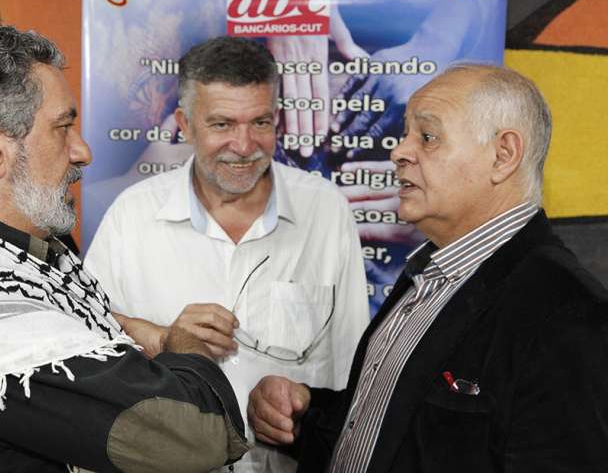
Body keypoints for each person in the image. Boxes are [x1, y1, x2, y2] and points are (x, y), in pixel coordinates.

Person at [0, 22, 247, 473]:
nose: (83, 152)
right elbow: (192, 436)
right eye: (63, 127)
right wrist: (183, 348)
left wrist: (138, 331)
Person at [247, 63, 608, 473]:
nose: (399, 151)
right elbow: (395, 434)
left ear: (503, 155)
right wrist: (303, 414)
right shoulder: (428, 277)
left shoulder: (567, 313)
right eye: (405, 134)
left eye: (428, 137)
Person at [85, 36, 370, 472]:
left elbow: (352, 369)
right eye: (222, 124)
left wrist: (302, 407)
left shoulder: (326, 210)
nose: (243, 145)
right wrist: (164, 341)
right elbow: (84, 345)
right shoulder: (132, 215)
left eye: (260, 122)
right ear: (184, 123)